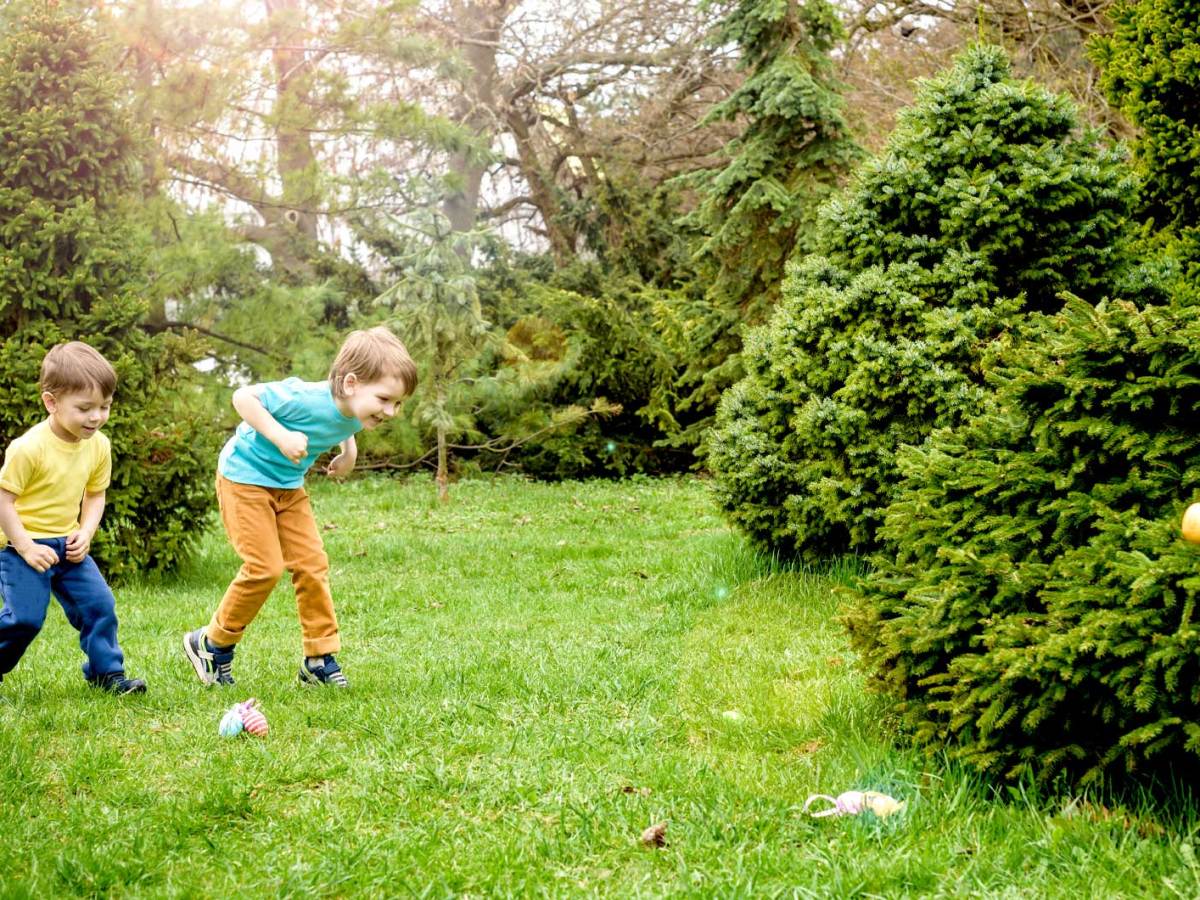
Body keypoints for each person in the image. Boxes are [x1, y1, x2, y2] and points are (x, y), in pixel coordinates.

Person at [183, 326, 417, 689]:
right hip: (243, 479)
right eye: (385, 399)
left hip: (288, 487)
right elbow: (243, 397)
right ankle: (212, 644)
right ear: (351, 383)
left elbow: (342, 422)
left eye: (398, 403)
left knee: (312, 564)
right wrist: (281, 436)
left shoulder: (354, 406)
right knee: (264, 568)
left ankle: (318, 660)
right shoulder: (302, 396)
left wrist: (348, 452)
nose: (391, 411)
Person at [0, 341, 147, 694]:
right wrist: (26, 546)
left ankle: (107, 675)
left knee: (100, 606)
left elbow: (96, 494)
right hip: (21, 547)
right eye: (84, 408)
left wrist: (86, 531)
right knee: (25, 619)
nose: (96, 417)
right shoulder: (29, 448)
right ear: (51, 402)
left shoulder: (98, 445)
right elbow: (3, 500)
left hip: (68, 545)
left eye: (105, 407)